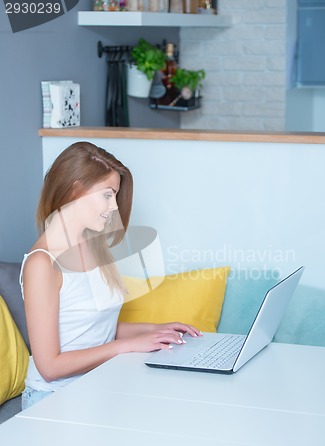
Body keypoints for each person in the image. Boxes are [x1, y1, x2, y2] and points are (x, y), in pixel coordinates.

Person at [20, 141, 200, 410]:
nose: (114, 206)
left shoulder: (92, 248)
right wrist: (128, 345)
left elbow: (93, 329)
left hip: (98, 386)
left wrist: (157, 330)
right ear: (75, 189)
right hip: (53, 400)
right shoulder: (42, 264)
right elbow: (50, 367)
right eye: (107, 194)